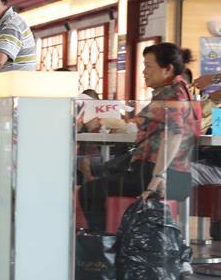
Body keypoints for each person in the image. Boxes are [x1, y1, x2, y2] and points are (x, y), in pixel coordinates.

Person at [79, 43, 201, 231]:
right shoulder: (175, 91)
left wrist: (156, 180)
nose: (144, 72)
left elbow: (174, 135)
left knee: (90, 191)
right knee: (100, 179)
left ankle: (105, 240)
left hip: (161, 173)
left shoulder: (171, 95)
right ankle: (109, 237)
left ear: (167, 69)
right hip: (167, 172)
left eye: (149, 66)